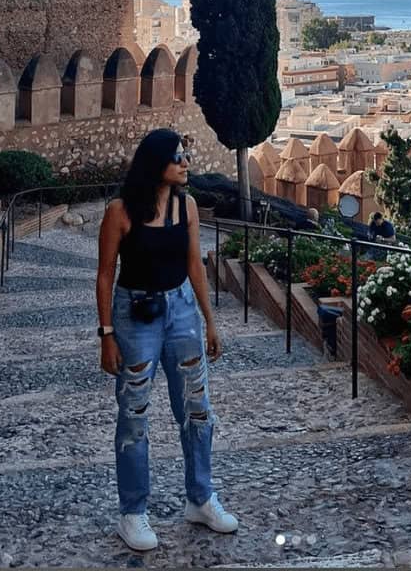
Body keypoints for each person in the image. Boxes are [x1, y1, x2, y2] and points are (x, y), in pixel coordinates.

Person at [96, 128, 237, 552]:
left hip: (181, 313)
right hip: (135, 315)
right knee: (135, 414)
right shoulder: (120, 212)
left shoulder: (187, 205)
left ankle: (201, 498)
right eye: (177, 157)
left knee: (197, 410)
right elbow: (105, 274)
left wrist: (209, 320)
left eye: (186, 155)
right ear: (155, 162)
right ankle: (133, 512)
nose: (185, 163)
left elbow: (195, 264)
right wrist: (106, 335)